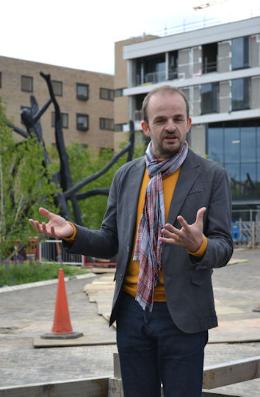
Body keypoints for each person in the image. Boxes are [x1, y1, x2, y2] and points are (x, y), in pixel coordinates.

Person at [29, 85, 233, 397]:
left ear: (189, 123)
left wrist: (198, 246)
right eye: (161, 119)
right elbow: (111, 240)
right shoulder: (126, 176)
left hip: (183, 318)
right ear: (145, 126)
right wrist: (72, 232)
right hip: (132, 313)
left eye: (178, 119)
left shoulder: (211, 175)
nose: (171, 127)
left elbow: (223, 247)